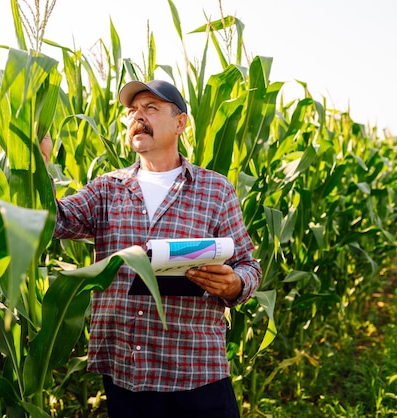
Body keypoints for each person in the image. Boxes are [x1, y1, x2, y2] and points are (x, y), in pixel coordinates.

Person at [39, 79, 262, 418]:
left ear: (180, 123)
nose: (137, 117)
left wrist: (235, 284)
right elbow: (53, 221)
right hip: (126, 370)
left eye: (151, 109)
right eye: (132, 111)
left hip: (195, 369)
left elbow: (248, 265)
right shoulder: (107, 188)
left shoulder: (215, 190)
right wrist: (39, 170)